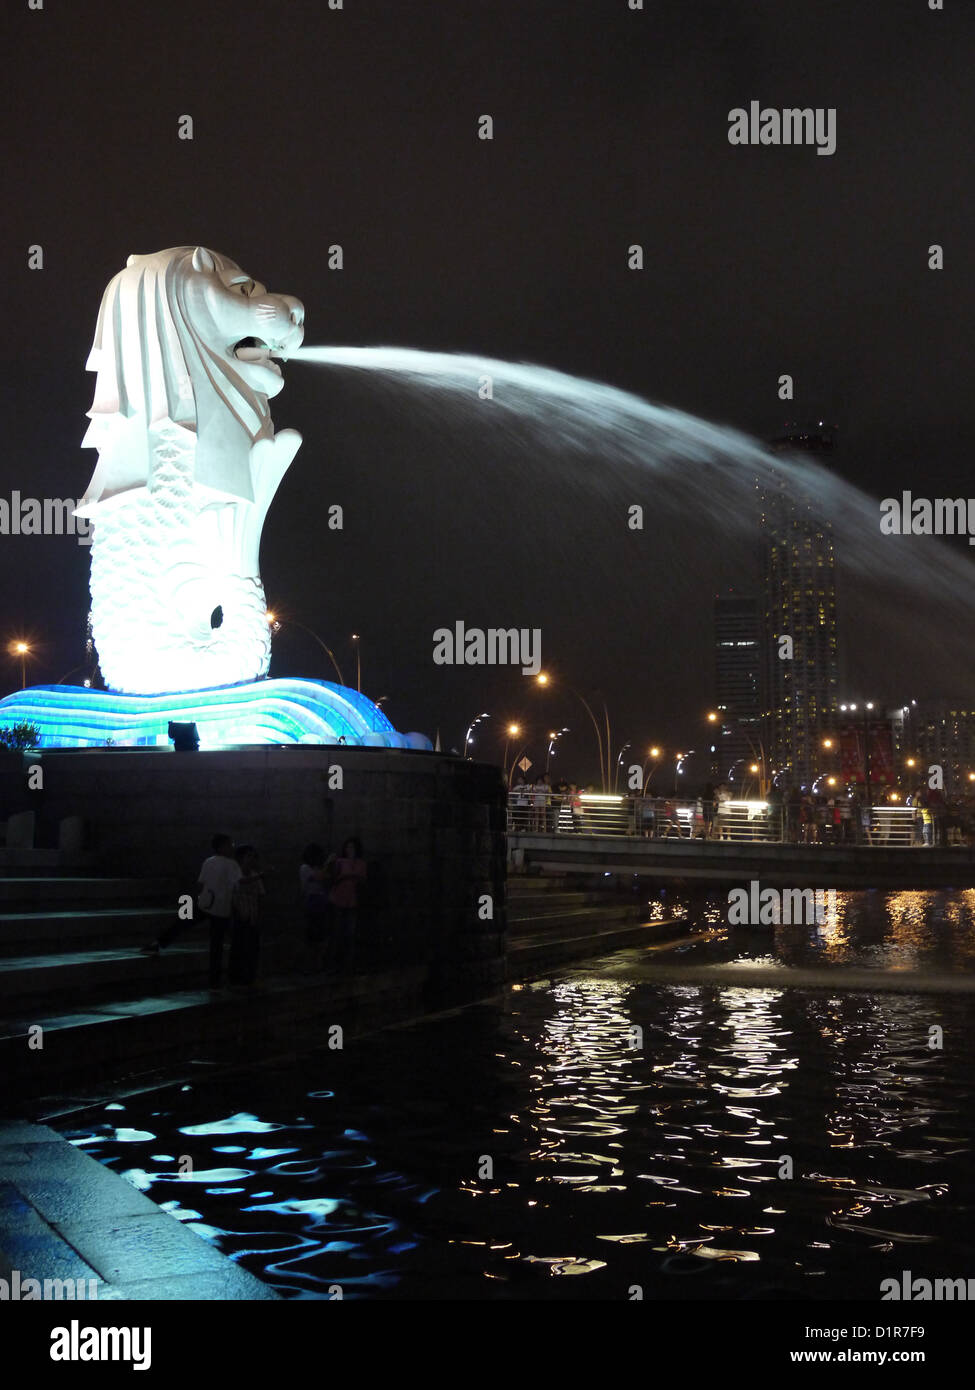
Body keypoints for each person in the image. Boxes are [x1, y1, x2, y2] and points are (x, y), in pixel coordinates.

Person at [228, 844, 265, 986]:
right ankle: (235, 979)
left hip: (252, 916)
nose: (252, 859)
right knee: (238, 949)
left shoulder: (255, 876)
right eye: (248, 856)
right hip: (239, 916)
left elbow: (261, 897)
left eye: (253, 856)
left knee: (252, 949)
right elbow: (236, 888)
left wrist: (259, 915)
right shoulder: (234, 874)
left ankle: (249, 977)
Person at [329, 837, 367, 971]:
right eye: (348, 847)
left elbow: (363, 881)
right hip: (340, 899)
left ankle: (348, 963)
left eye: (352, 847)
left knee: (351, 933)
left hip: (353, 901)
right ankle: (334, 963)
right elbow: (333, 878)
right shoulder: (340, 862)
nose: (350, 850)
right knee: (337, 931)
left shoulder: (361, 863)